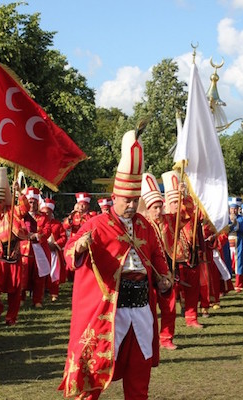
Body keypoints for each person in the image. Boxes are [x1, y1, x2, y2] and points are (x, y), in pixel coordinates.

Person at [58, 129, 172, 399]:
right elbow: (69, 251)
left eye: (135, 200)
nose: (131, 205)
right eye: (127, 200)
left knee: (139, 371)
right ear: (115, 198)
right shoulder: (96, 224)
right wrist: (80, 247)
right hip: (110, 309)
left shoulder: (145, 225)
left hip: (142, 308)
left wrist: (163, 277)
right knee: (95, 368)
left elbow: (156, 255)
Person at [141, 172, 191, 349]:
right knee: (148, 308)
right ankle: (150, 339)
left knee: (169, 306)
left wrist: (184, 197)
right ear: (147, 208)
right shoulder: (143, 224)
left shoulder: (170, 219)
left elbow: (186, 215)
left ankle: (166, 338)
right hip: (148, 270)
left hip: (169, 267)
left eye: (160, 206)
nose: (158, 210)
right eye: (154, 207)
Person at [0, 167, 29, 325]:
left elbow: (24, 208)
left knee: (15, 290)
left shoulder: (13, 211)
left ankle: (11, 317)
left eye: (0, 201)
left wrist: (20, 192)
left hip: (14, 258)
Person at [162, 170, 203, 328]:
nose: (177, 206)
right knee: (171, 292)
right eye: (174, 202)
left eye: (179, 202)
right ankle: (167, 326)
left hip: (190, 257)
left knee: (193, 289)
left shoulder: (187, 216)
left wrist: (185, 196)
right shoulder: (164, 219)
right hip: (170, 261)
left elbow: (189, 212)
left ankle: (191, 318)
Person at [19, 187, 52, 308]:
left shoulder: (43, 217)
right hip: (24, 249)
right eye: (30, 202)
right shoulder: (21, 216)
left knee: (39, 275)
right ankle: (21, 298)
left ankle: (37, 300)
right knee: (23, 274)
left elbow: (47, 230)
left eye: (34, 202)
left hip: (40, 250)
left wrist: (37, 235)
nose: (32, 205)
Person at [40, 198, 67, 302]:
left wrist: (55, 244)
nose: (45, 215)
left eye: (48, 212)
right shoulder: (39, 223)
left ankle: (54, 293)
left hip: (53, 252)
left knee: (54, 273)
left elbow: (64, 237)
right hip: (41, 251)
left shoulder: (57, 224)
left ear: (51, 212)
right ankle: (41, 292)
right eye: (43, 213)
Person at [228, 197, 243, 292]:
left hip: (238, 243)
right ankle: (227, 285)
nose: (233, 210)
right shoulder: (225, 218)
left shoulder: (242, 218)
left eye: (235, 208)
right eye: (232, 208)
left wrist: (235, 222)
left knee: (239, 264)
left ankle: (238, 284)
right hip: (227, 243)